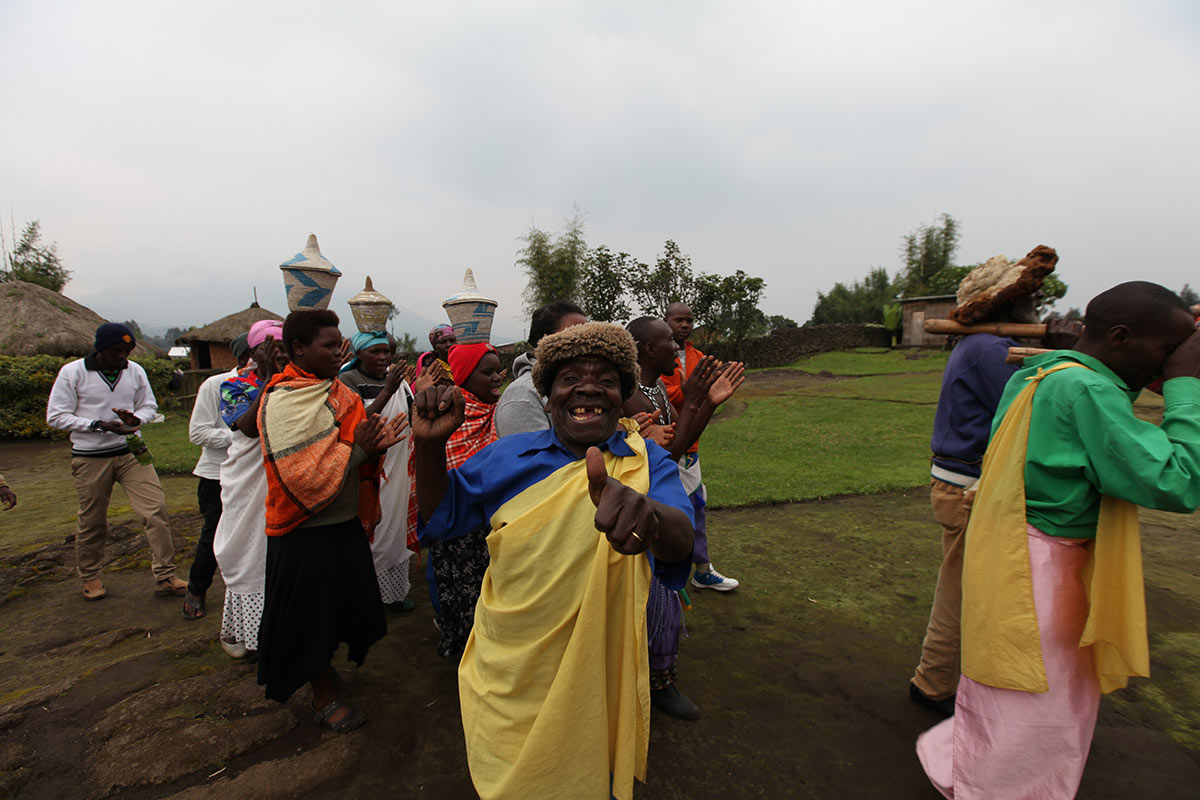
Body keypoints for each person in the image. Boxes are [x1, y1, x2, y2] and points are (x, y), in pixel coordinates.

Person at [916, 281, 1200, 799]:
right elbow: (1177, 480)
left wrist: (1149, 371)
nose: (1168, 364)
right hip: (1044, 569)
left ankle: (980, 769)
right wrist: (1185, 386)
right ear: (1119, 336)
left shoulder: (1043, 371)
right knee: (1041, 690)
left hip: (1015, 548)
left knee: (1008, 678)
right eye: (1165, 351)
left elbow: (1096, 417)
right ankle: (1006, 787)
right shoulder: (1079, 386)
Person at [415, 321, 695, 800]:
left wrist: (648, 515)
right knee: (514, 776)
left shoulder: (648, 464)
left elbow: (681, 541)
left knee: (584, 771)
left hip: (596, 664)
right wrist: (428, 444)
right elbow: (439, 519)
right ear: (548, 397)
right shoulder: (505, 457)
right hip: (511, 665)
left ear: (623, 396)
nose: (588, 387)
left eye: (606, 379)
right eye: (570, 379)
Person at [910, 248, 1080, 715]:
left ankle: (939, 679)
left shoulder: (986, 344)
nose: (1037, 304)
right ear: (1008, 300)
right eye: (1030, 294)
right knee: (963, 589)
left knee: (963, 584)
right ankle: (934, 683)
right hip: (967, 486)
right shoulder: (990, 348)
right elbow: (1041, 404)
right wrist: (1071, 355)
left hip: (964, 480)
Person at [255, 310, 406, 731]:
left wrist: (374, 447)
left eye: (340, 343)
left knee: (339, 610)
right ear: (298, 349)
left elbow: (354, 448)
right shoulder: (283, 399)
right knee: (309, 617)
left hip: (342, 525)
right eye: (328, 344)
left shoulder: (340, 393)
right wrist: (359, 450)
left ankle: (321, 669)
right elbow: (301, 476)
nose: (338, 350)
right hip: (304, 532)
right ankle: (321, 694)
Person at [625, 315, 746, 720]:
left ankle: (656, 677)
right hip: (642, 510)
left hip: (662, 496)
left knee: (662, 601)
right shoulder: (629, 396)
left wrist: (706, 403)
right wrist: (695, 401)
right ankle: (653, 683)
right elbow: (667, 456)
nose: (678, 353)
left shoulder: (655, 389)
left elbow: (677, 442)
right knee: (652, 601)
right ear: (648, 351)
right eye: (669, 346)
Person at [46, 322, 185, 601]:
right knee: (93, 519)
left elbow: (149, 405)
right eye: (116, 351)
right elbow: (56, 416)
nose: (122, 356)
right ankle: (90, 576)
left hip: (131, 452)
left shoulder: (135, 371)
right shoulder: (73, 373)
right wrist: (98, 425)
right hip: (91, 457)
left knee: (155, 510)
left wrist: (137, 419)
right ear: (100, 348)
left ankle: (165, 575)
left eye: (127, 351)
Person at [419, 341, 503, 658]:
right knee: (465, 603)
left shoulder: (500, 414)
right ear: (465, 376)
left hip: (493, 529)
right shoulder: (449, 416)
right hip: (457, 532)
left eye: (498, 371)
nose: (497, 378)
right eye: (488, 372)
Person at [210, 321, 286, 659]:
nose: (279, 353)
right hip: (249, 480)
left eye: (284, 346)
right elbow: (248, 427)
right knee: (249, 555)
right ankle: (246, 631)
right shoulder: (235, 385)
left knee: (278, 557)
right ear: (253, 354)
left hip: (282, 480)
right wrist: (269, 380)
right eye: (270, 347)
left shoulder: (298, 383)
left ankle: (278, 630)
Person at [661, 302, 739, 592]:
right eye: (678, 319)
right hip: (667, 445)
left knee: (695, 504)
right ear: (665, 320)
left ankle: (702, 569)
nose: (685, 325)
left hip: (690, 445)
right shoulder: (660, 355)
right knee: (673, 509)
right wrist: (688, 391)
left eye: (689, 320)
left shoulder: (697, 356)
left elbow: (706, 394)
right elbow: (667, 398)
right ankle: (671, 575)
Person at [338, 331, 416, 612]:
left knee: (396, 527)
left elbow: (410, 413)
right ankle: (366, 594)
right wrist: (388, 391)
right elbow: (357, 423)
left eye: (387, 352)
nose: (384, 357)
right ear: (359, 353)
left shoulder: (398, 380)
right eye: (376, 352)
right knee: (372, 527)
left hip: (399, 462)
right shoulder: (348, 380)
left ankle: (395, 591)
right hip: (368, 466)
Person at [182, 333, 252, 621]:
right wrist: (241, 434)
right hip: (218, 475)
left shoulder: (273, 385)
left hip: (253, 474)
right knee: (215, 533)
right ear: (240, 358)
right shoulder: (215, 385)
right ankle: (196, 590)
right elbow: (197, 432)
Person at [495, 301, 586, 436]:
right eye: (574, 338)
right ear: (544, 342)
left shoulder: (585, 385)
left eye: (588, 336)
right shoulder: (522, 396)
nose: (586, 345)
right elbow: (529, 455)